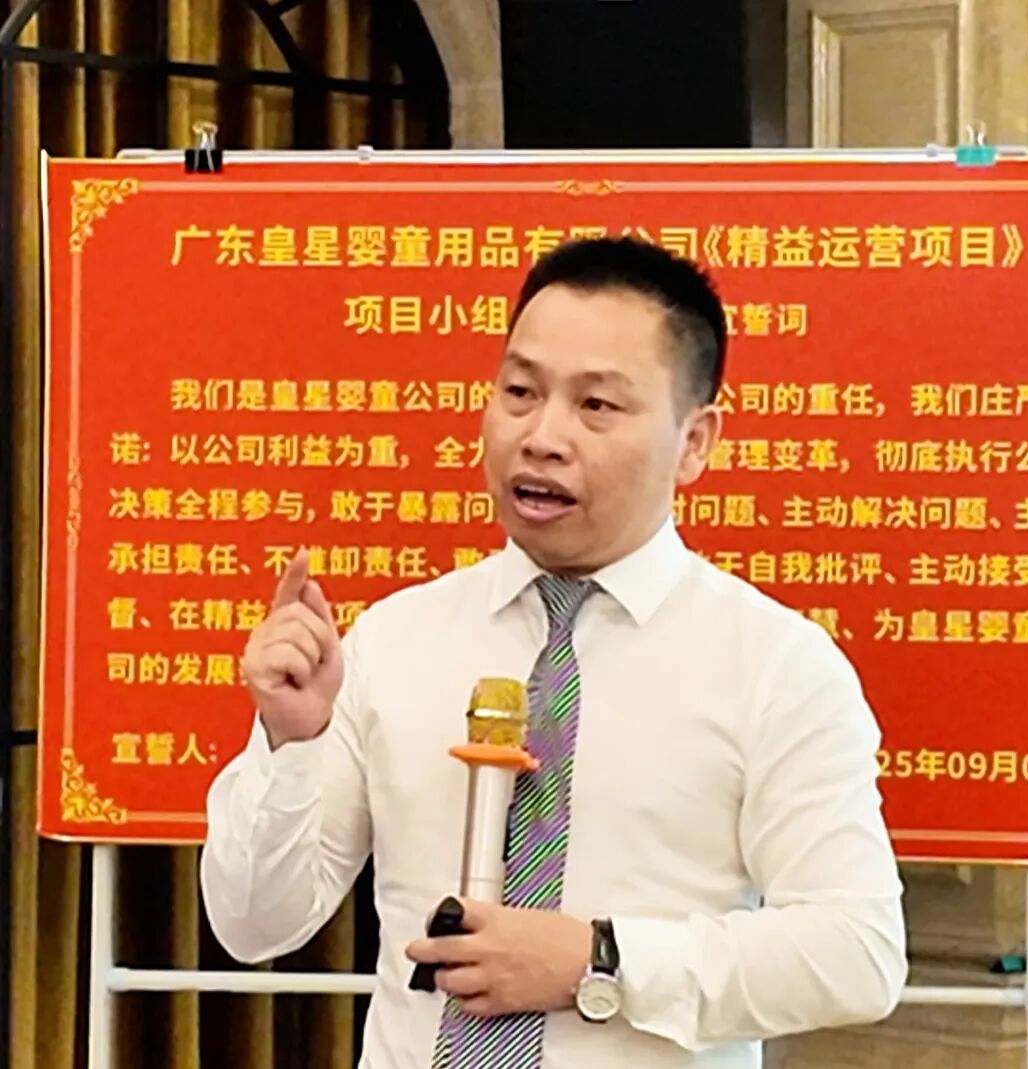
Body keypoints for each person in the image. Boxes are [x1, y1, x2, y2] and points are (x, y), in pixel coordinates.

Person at [201, 237, 907, 1069]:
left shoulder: (774, 665)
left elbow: (856, 952)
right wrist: (291, 742)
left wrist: (599, 959)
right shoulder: (394, 641)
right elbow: (253, 925)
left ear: (695, 441)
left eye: (596, 405)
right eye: (520, 392)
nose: (541, 436)